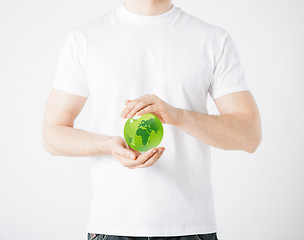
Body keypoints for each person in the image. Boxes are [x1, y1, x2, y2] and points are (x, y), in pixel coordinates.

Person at [42, 0, 262, 240]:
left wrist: (177, 115)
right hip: (112, 228)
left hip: (191, 228)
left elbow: (249, 135)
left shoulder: (213, 40)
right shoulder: (85, 39)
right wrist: (108, 145)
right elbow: (52, 136)